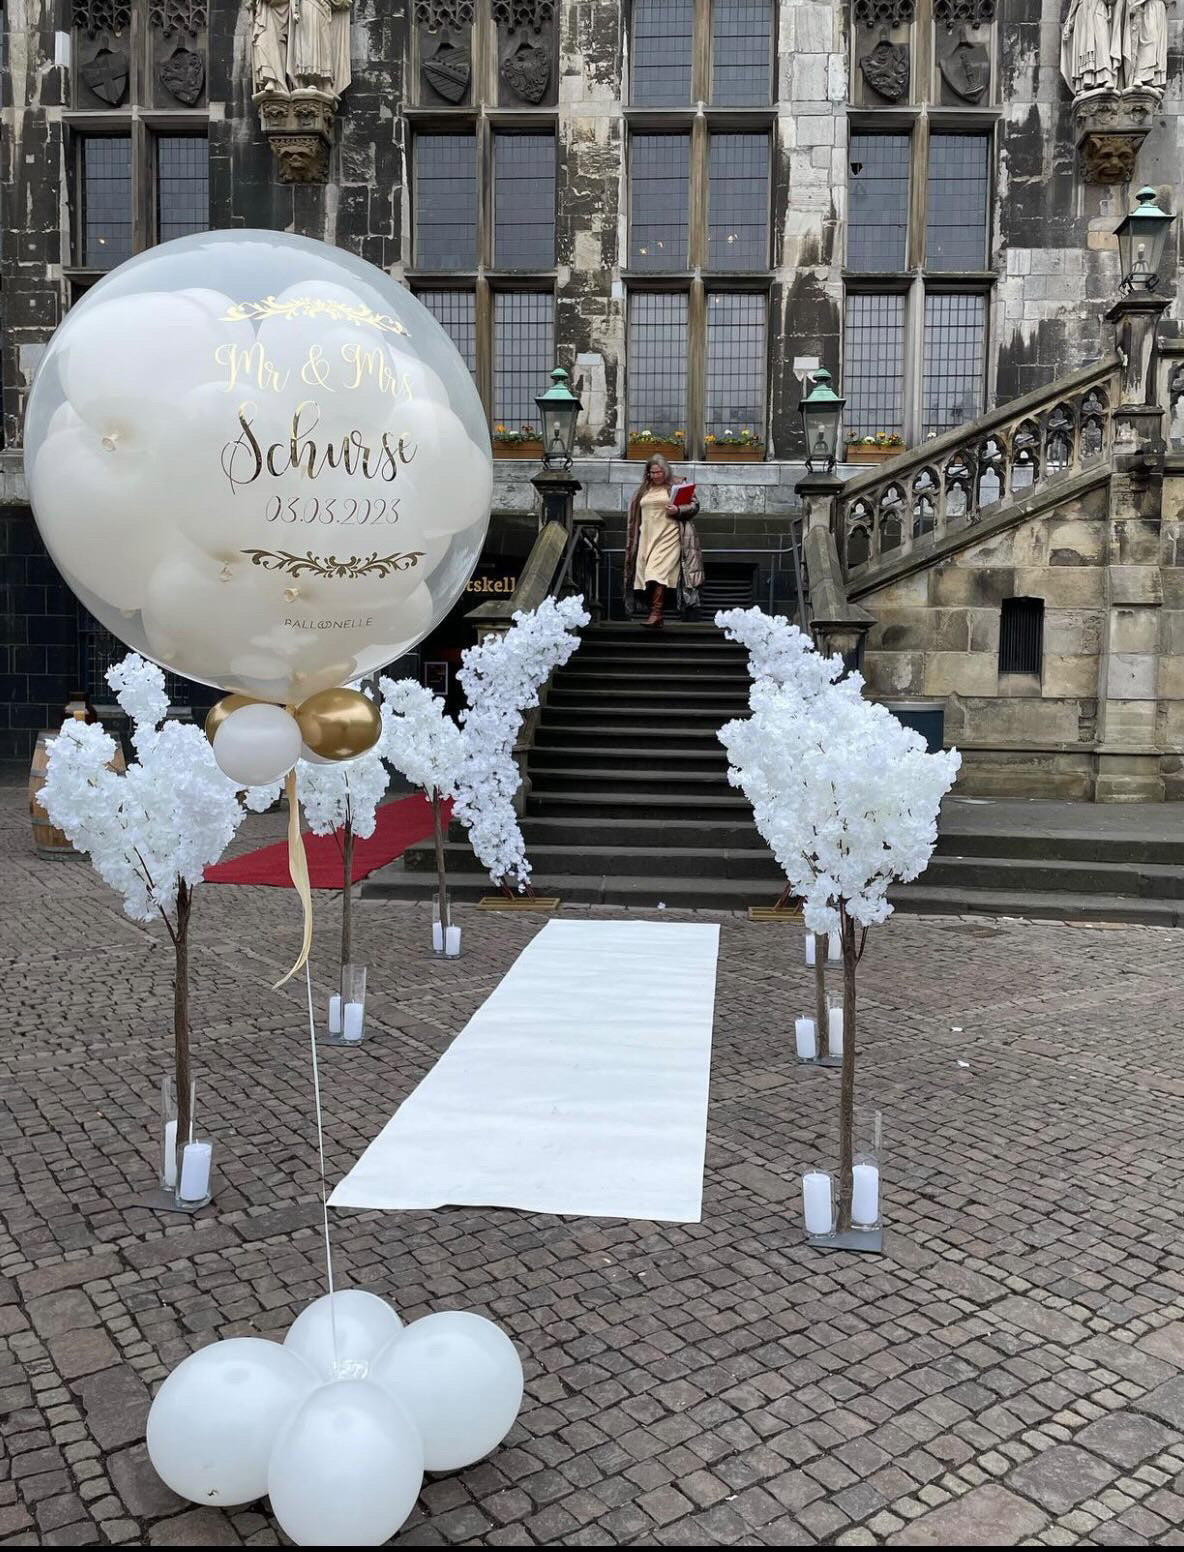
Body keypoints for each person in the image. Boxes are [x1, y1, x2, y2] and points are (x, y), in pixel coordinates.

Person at [623, 454, 704, 629]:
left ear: (665, 471)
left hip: (670, 534)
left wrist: (678, 509)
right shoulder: (643, 490)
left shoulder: (677, 484)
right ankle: (657, 614)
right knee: (646, 575)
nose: (655, 475)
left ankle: (656, 613)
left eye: (659, 472)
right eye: (652, 472)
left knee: (657, 572)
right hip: (647, 536)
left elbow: (694, 505)